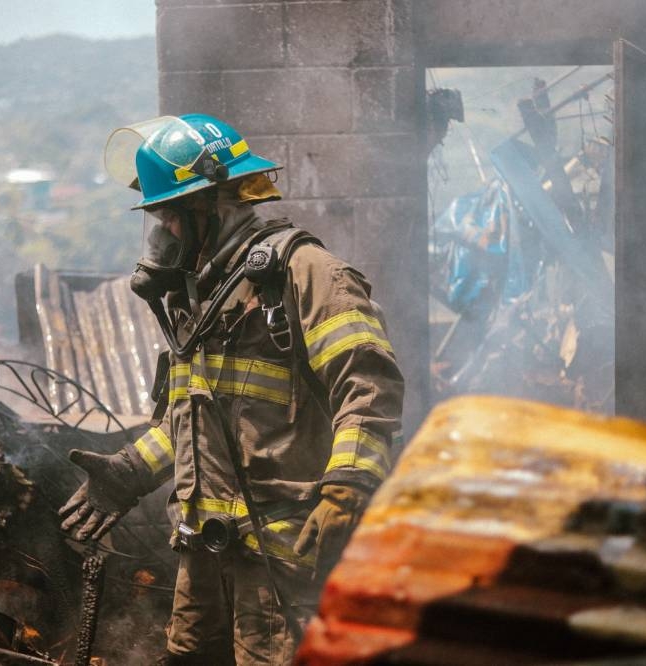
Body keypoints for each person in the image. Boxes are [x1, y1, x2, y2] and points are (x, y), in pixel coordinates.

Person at [59, 114, 404, 665]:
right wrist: (130, 472)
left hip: (282, 551)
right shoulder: (201, 298)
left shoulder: (304, 273)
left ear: (211, 203)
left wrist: (346, 488)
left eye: (169, 214)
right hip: (205, 547)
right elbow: (194, 422)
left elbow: (368, 387)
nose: (163, 231)